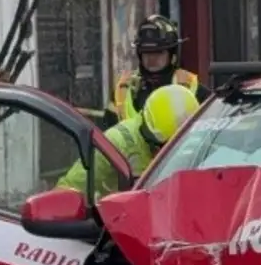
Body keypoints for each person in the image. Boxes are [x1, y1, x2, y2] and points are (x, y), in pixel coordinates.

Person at [57, 84, 200, 199]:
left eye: (171, 148)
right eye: (159, 147)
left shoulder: (200, 145)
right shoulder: (116, 143)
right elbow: (72, 188)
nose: (160, 153)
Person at [103, 15, 210, 129]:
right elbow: (107, 134)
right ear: (140, 54)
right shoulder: (123, 90)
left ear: (171, 54)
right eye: (147, 52)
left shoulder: (189, 86)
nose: (152, 58)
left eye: (158, 52)